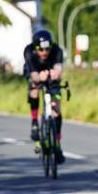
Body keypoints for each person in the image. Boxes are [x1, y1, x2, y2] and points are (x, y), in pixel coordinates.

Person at [23, 29, 65, 163]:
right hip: (35, 73)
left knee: (56, 110)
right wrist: (38, 77)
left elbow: (59, 69)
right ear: (35, 48)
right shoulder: (29, 51)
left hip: (51, 75)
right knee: (34, 91)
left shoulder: (57, 51)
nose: (44, 53)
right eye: (41, 50)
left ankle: (57, 144)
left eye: (47, 49)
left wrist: (56, 74)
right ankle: (35, 122)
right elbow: (34, 74)